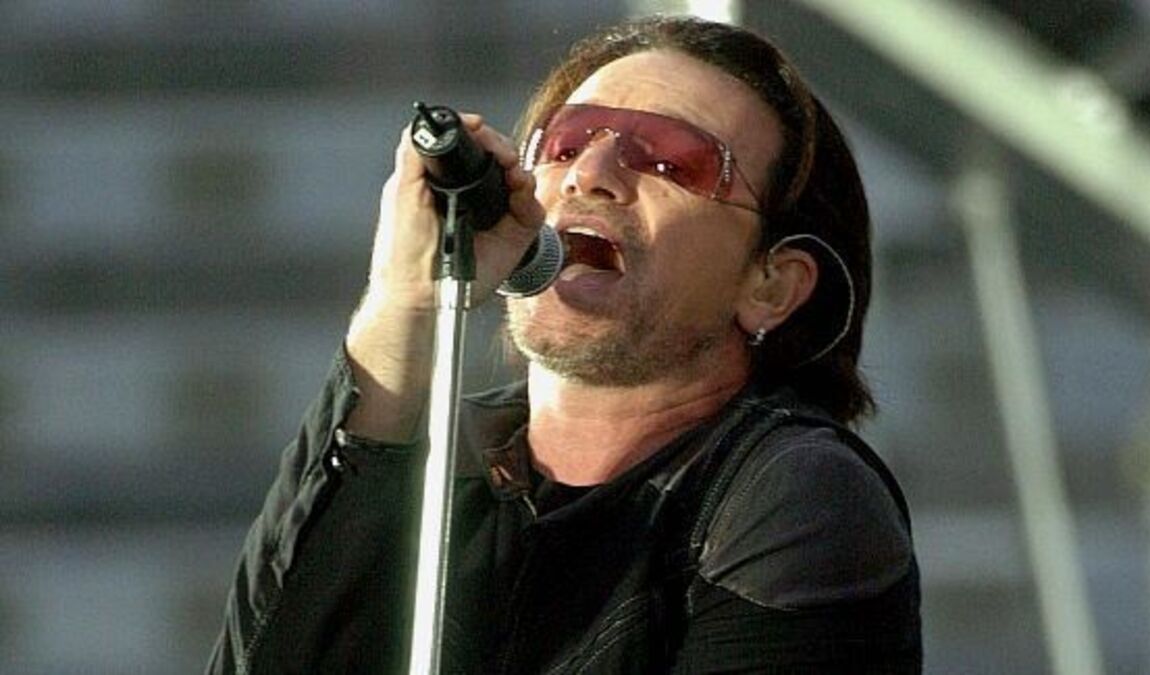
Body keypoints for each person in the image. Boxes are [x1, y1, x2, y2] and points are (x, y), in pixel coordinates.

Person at [207, 15, 921, 674]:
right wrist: (404, 304)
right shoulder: (437, 463)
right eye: (567, 142)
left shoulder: (794, 492)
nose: (589, 176)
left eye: (670, 161)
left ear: (771, 285)